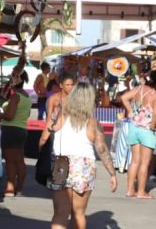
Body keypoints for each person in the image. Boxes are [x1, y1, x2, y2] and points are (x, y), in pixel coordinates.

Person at [39, 82, 117, 229]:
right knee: (79, 213)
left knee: (60, 214)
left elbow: (44, 139)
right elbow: (102, 149)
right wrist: (112, 173)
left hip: (60, 164)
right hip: (84, 167)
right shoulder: (92, 123)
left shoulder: (58, 117)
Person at [121, 70, 156, 198]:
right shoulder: (155, 96)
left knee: (134, 161)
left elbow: (124, 98)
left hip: (134, 127)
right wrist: (153, 126)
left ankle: (129, 190)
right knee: (144, 162)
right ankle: (141, 191)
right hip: (147, 130)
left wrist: (131, 111)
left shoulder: (139, 89)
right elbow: (155, 115)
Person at [0, 62, 31, 197]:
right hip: (21, 129)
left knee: (11, 161)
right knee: (19, 160)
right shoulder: (26, 96)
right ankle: (19, 187)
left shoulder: (16, 96)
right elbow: (26, 114)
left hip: (11, 130)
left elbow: (9, 116)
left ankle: (10, 188)